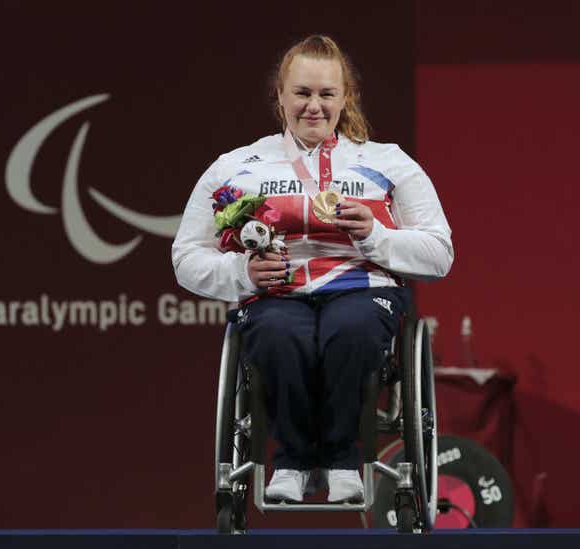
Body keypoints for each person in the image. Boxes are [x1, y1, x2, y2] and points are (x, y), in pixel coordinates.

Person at [172, 35, 453, 503]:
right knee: (281, 335)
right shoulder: (236, 166)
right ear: (280, 95)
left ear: (345, 97)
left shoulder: (388, 162)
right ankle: (293, 461)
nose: (314, 107)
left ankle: (343, 459)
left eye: (326, 94)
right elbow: (186, 256)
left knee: (353, 330)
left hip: (361, 288)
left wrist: (375, 237)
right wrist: (243, 274)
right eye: (302, 93)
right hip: (276, 294)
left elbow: (439, 252)